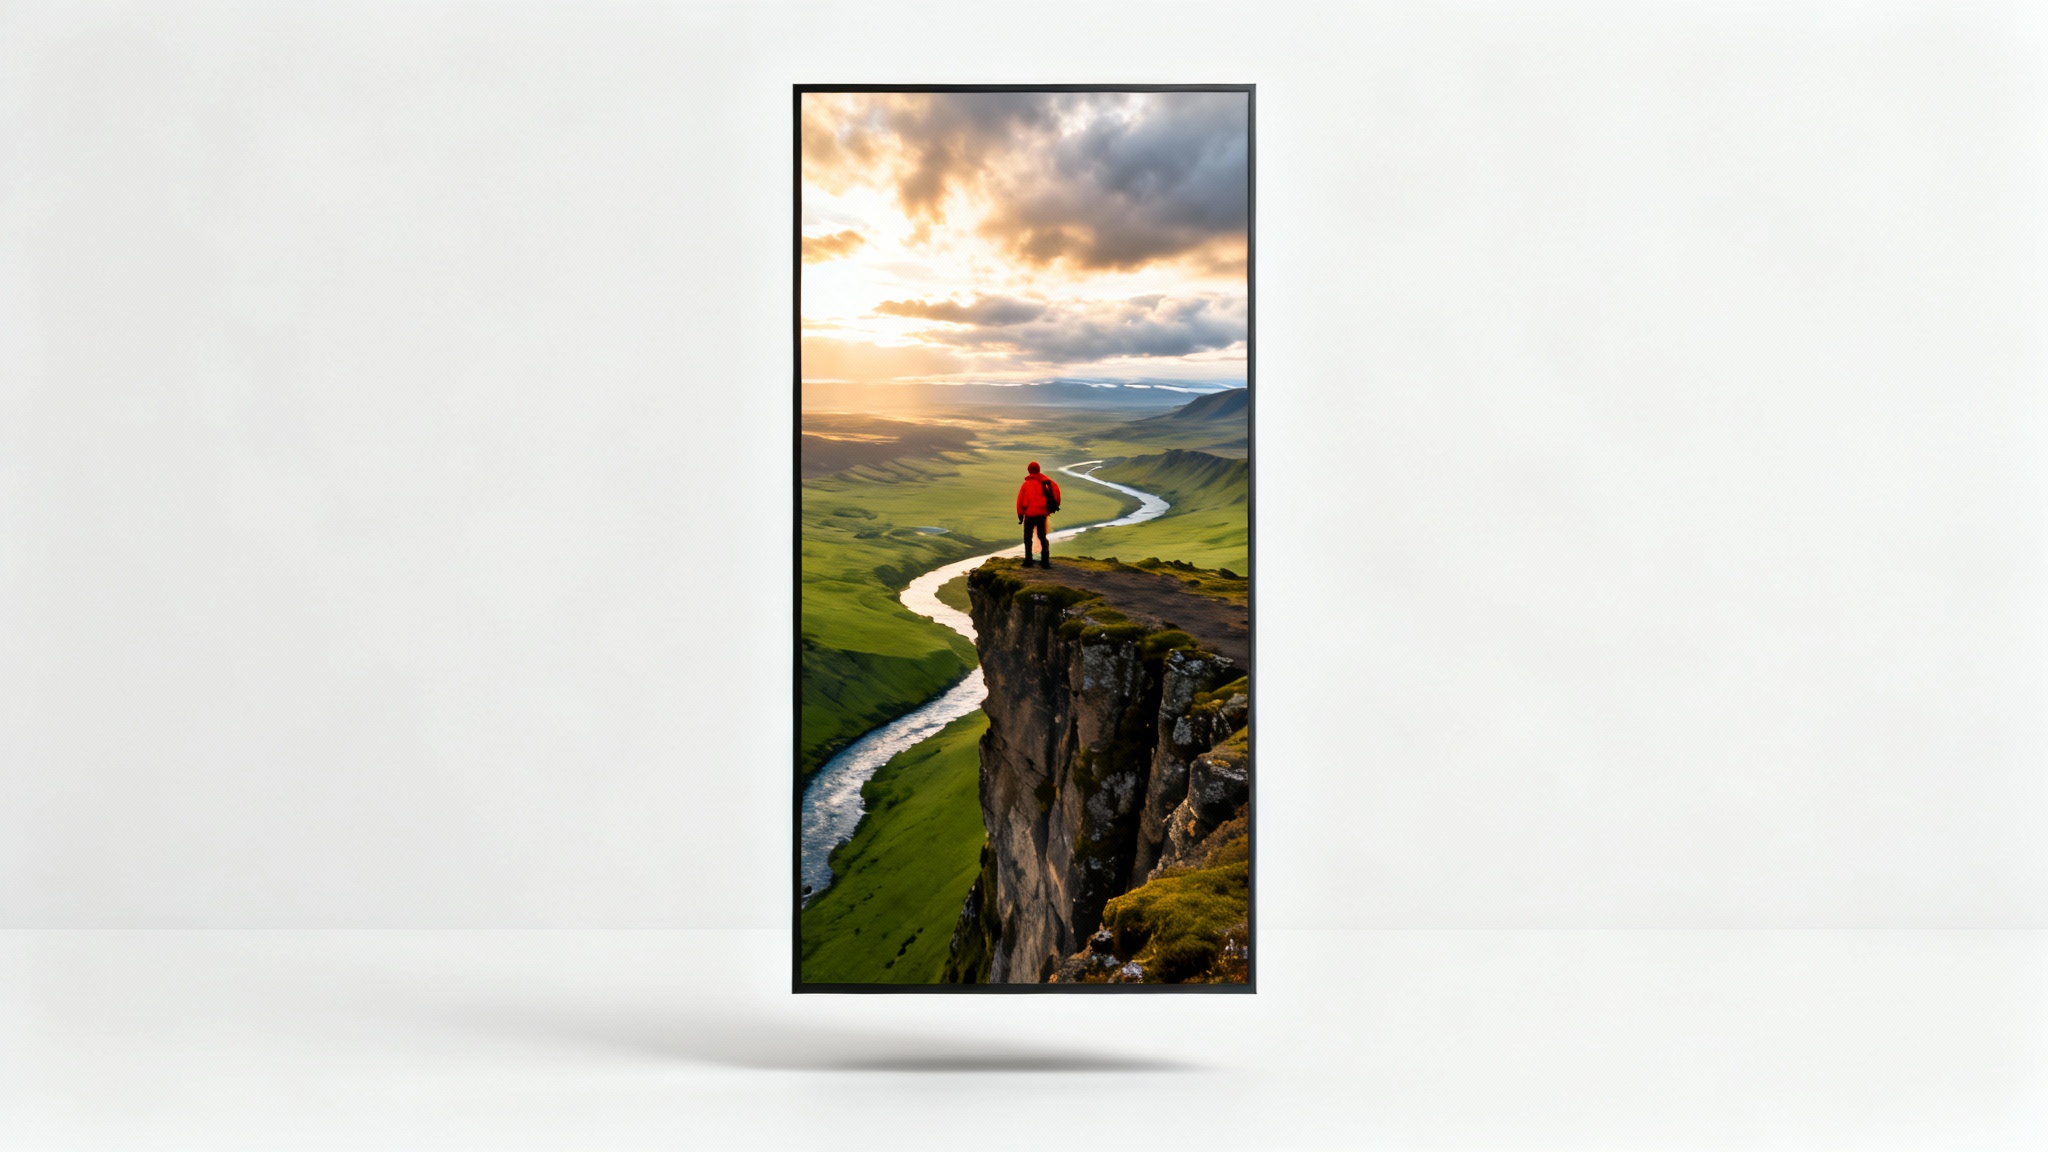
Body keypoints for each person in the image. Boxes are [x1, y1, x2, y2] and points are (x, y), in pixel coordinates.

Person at [1015, 461, 1061, 567]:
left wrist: (1020, 515)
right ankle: (1045, 561)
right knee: (1042, 536)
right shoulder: (1045, 483)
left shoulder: (1026, 485)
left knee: (1028, 537)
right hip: (1041, 514)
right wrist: (1050, 509)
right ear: (1038, 470)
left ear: (1029, 470)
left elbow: (1020, 502)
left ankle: (1028, 561)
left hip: (1030, 515)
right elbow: (1055, 493)